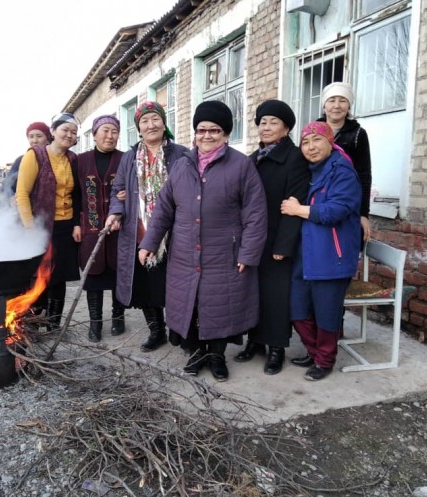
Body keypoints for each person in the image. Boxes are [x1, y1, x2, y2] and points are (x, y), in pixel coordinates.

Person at [138, 101, 267, 381]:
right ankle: (196, 352)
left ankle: (217, 356)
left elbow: (256, 214)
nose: (207, 136)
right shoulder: (183, 165)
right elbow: (164, 209)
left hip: (224, 252)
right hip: (184, 251)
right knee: (191, 304)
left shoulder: (241, 165)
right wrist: (149, 243)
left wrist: (248, 254)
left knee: (220, 305)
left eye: (215, 130)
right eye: (202, 130)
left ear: (226, 134)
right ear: (194, 133)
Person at [280, 121, 361, 381]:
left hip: (332, 253)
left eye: (317, 140)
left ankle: (324, 360)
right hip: (307, 251)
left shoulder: (342, 171)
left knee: (327, 310)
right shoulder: (310, 170)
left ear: (330, 142)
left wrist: (299, 210)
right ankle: (315, 352)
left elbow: (336, 210)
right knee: (298, 307)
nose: (311, 147)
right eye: (305, 142)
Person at [105, 102, 188, 352]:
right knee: (145, 287)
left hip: (173, 233)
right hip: (138, 232)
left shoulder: (181, 154)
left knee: (173, 285)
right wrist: (116, 212)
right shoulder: (130, 157)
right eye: (145, 121)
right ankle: (156, 331)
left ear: (164, 123)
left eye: (155, 119)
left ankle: (180, 332)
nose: (151, 125)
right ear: (138, 128)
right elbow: (117, 191)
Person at [236, 100, 309, 375]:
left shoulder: (295, 158)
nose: (266, 127)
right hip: (253, 237)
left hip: (278, 238)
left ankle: (277, 348)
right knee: (253, 291)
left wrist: (284, 245)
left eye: (273, 122)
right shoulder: (253, 158)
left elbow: (295, 202)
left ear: (286, 128)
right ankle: (255, 342)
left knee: (276, 296)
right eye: (262, 122)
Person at [15, 113, 82, 330]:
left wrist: (76, 224)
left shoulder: (73, 159)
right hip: (39, 227)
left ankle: (54, 324)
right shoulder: (35, 156)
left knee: (59, 277)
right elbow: (22, 194)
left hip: (65, 226)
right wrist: (29, 228)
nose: (69, 135)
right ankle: (33, 321)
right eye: (65, 130)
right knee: (38, 276)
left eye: (73, 132)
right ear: (53, 132)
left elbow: (77, 195)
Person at [76, 115, 125, 341]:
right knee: (93, 277)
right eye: (105, 130)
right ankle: (95, 324)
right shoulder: (81, 160)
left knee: (118, 276)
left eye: (114, 131)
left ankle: (118, 318)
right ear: (94, 134)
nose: (109, 135)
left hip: (118, 230)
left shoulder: (126, 159)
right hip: (91, 229)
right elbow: (75, 194)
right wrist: (76, 223)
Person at [318, 82, 372, 244]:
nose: (336, 106)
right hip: (317, 201)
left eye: (342, 100)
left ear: (349, 106)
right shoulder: (313, 131)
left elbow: (364, 175)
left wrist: (363, 214)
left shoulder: (358, 134)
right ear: (324, 106)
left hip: (346, 202)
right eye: (331, 100)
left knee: (343, 247)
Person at [4, 122, 53, 196]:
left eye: (39, 136)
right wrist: (11, 197)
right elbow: (7, 185)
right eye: (31, 137)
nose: (34, 140)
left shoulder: (56, 159)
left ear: (48, 138)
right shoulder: (21, 160)